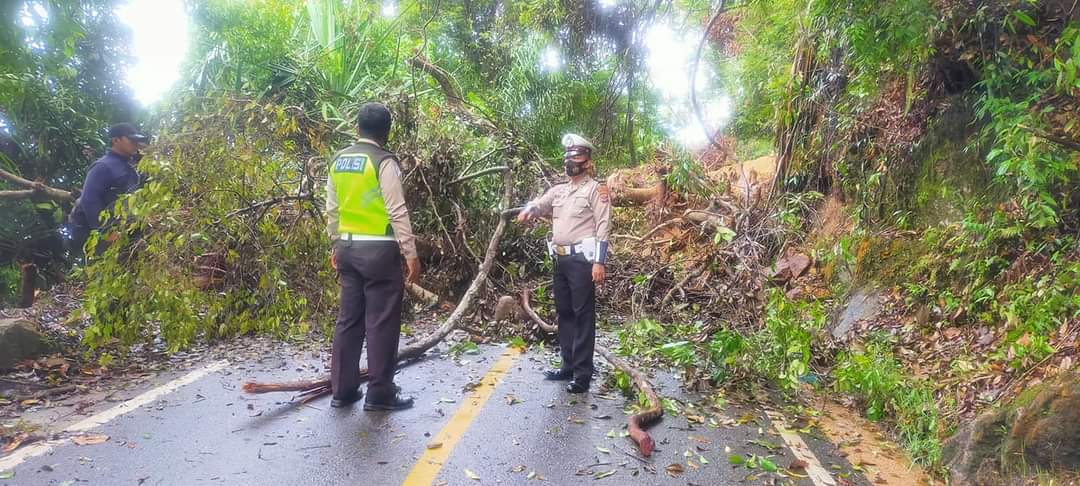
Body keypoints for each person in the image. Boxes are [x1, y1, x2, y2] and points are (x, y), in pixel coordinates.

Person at [325, 102, 420, 411]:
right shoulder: (383, 161)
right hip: (379, 251)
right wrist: (411, 253)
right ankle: (379, 394)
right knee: (381, 322)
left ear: (357, 128)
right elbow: (396, 209)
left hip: (348, 250)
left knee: (348, 320)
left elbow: (332, 209)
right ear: (386, 132)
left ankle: (342, 390)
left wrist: (336, 244)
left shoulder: (339, 160)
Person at [516, 133, 612, 393]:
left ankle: (582, 374)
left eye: (576, 157)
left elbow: (604, 225)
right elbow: (540, 203)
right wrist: (528, 210)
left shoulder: (596, 190)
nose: (571, 162)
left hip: (583, 261)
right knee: (565, 313)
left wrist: (599, 262)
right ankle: (568, 365)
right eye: (568, 157)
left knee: (583, 316)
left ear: (588, 161)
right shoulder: (560, 190)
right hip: (560, 259)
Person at [68, 123, 147, 258]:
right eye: (131, 140)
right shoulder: (103, 166)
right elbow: (89, 200)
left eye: (136, 141)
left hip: (125, 233)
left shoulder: (131, 168)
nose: (135, 144)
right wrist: (106, 233)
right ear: (116, 140)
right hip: (104, 238)